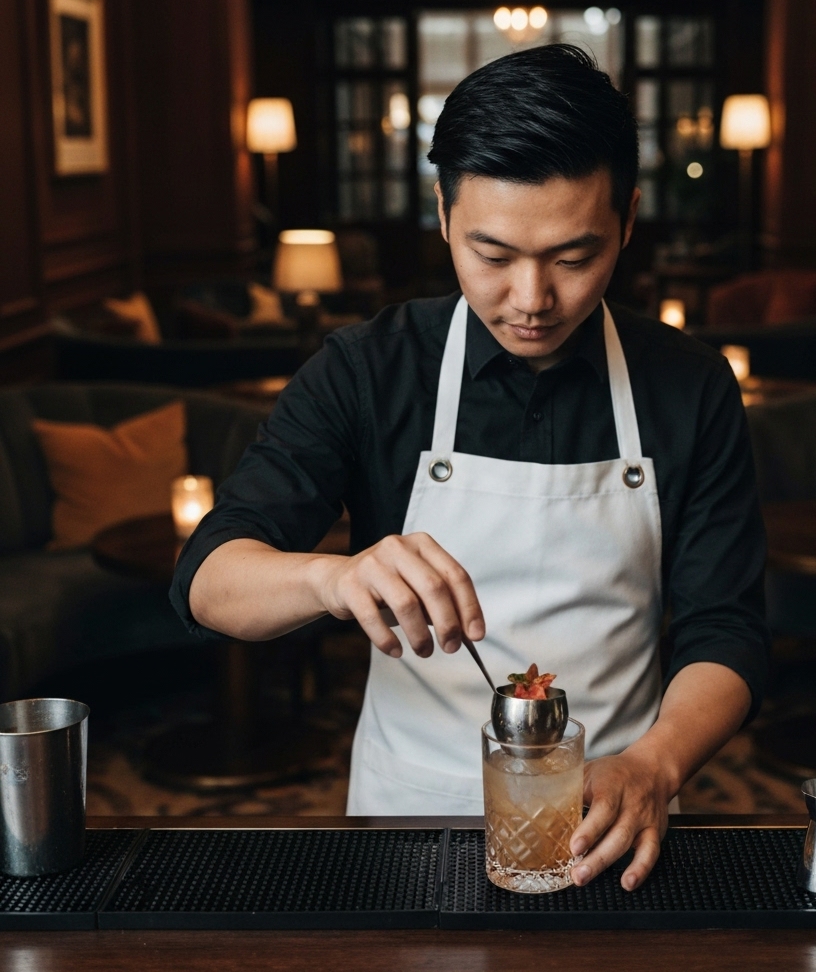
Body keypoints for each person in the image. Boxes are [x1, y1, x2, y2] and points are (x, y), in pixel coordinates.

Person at [171, 44, 769, 892]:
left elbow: (728, 630)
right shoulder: (365, 369)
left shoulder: (690, 385)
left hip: (615, 811)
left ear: (629, 221)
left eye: (573, 257)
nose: (531, 299)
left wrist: (659, 765)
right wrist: (332, 579)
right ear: (444, 216)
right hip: (407, 807)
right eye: (493, 256)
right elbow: (208, 580)